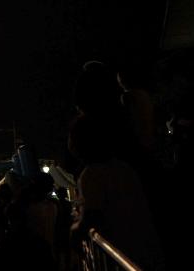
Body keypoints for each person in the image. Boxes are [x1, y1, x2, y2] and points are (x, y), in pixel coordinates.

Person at [69, 114, 161, 270]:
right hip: (146, 250)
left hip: (122, 254)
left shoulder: (91, 175)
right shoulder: (124, 168)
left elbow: (92, 216)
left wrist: (75, 231)